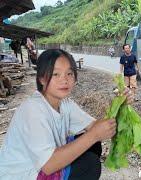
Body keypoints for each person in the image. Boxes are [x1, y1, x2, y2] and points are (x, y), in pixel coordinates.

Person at [0, 49, 133, 179]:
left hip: (43, 164)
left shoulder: (65, 103)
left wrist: (120, 104)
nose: (64, 80)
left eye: (69, 74)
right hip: (24, 173)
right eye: (55, 74)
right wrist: (93, 135)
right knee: (90, 164)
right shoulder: (32, 109)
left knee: (93, 143)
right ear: (42, 78)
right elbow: (48, 166)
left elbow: (96, 126)